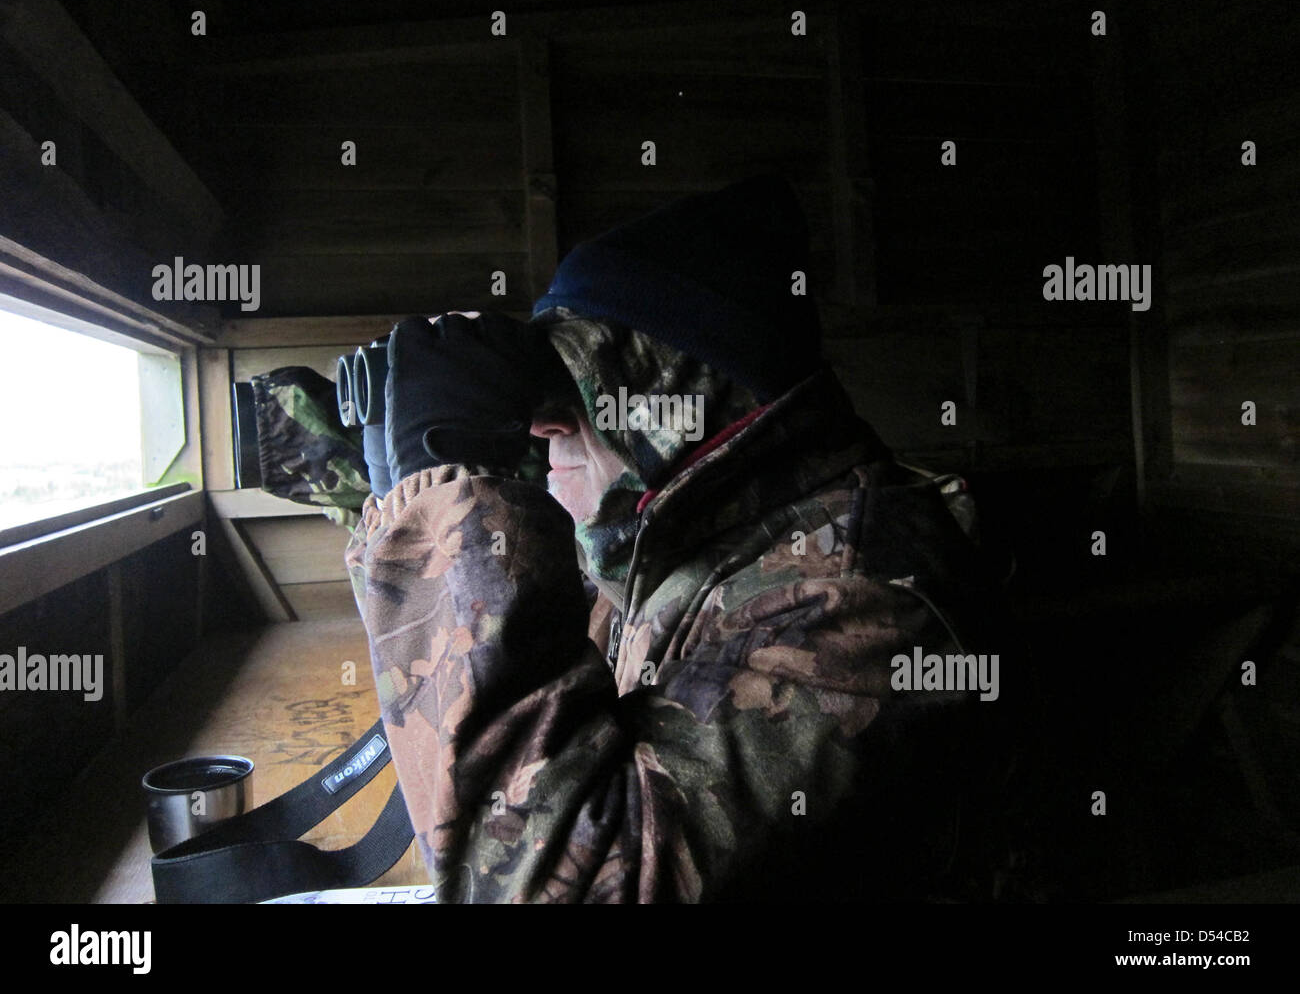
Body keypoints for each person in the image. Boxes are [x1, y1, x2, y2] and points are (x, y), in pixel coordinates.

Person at [345, 175, 1016, 902]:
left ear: (684, 403)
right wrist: (407, 493)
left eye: (577, 387)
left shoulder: (871, 602)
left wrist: (453, 485)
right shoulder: (674, 547)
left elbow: (568, 886)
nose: (541, 427)